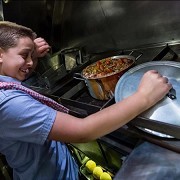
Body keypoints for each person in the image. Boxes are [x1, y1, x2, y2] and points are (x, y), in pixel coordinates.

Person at [0, 21, 172, 180]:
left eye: (32, 56)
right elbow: (83, 131)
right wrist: (144, 96)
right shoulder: (8, 103)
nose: (30, 62)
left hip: (56, 166)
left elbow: (17, 65)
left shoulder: (6, 84)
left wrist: (29, 53)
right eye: (24, 55)